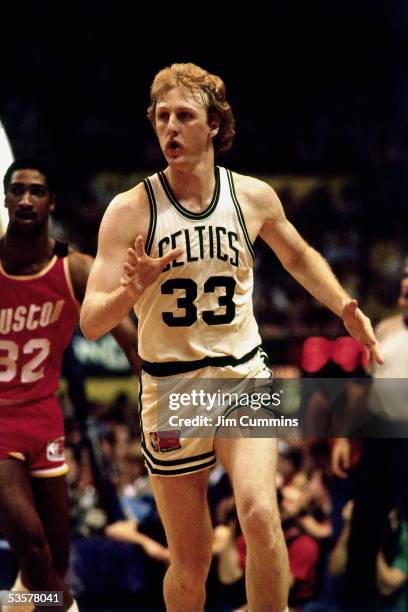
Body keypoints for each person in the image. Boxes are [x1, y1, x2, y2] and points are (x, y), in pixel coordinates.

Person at [80, 62, 382, 612]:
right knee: (190, 563)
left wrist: (343, 307)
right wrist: (131, 291)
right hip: (171, 391)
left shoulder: (253, 197)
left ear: (214, 124)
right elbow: (92, 321)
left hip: (243, 375)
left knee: (261, 514)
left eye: (184, 116)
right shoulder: (129, 210)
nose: (170, 127)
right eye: (161, 116)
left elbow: (298, 255)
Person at [0, 157, 139, 612]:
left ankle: (19, 602)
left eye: (36, 191)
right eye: (17, 190)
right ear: (5, 200)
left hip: (43, 417)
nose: (25, 199)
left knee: (54, 563)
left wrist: (157, 388)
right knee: (33, 545)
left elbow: (130, 337)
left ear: (50, 202)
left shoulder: (73, 268)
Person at [331, 259, 408, 609]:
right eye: (405, 274)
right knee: (364, 523)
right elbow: (362, 388)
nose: (406, 282)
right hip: (380, 437)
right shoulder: (387, 327)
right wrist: (346, 438)